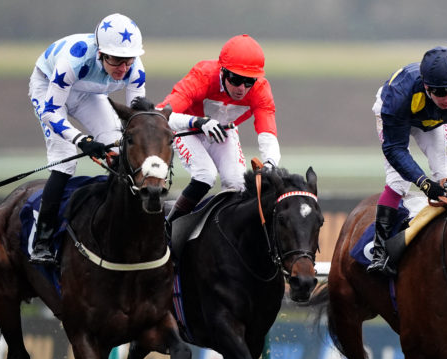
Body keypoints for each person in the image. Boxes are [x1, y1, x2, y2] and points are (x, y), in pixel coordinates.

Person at [28, 13, 146, 265]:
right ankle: (43, 240)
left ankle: (119, 220)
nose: (123, 68)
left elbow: (135, 118)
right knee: (64, 160)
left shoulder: (135, 70)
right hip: (49, 87)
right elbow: (51, 111)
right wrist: (81, 140)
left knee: (116, 147)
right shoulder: (75, 59)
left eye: (128, 61)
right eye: (116, 60)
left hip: (88, 93)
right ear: (100, 53)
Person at [367, 46, 447, 276]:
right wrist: (424, 184)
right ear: (426, 86)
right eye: (442, 93)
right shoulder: (399, 95)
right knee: (398, 183)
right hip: (396, 117)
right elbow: (395, 150)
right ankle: (380, 252)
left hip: (432, 121)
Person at [156, 34, 281, 222]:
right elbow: (159, 115)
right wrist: (196, 122)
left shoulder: (261, 91)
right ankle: (168, 227)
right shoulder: (203, 76)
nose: (241, 88)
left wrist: (271, 163)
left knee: (237, 184)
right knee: (205, 175)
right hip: (187, 129)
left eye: (249, 81)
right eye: (236, 79)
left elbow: (267, 133)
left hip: (223, 131)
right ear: (222, 71)